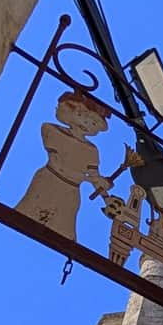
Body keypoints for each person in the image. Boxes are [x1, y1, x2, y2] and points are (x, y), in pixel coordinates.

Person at [15, 90, 113, 241]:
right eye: (83, 117)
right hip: (49, 180)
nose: (86, 124)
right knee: (28, 213)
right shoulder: (52, 130)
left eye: (93, 123)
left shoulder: (92, 150)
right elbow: (57, 163)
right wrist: (87, 179)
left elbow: (95, 176)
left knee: (62, 229)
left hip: (71, 191)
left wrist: (106, 196)